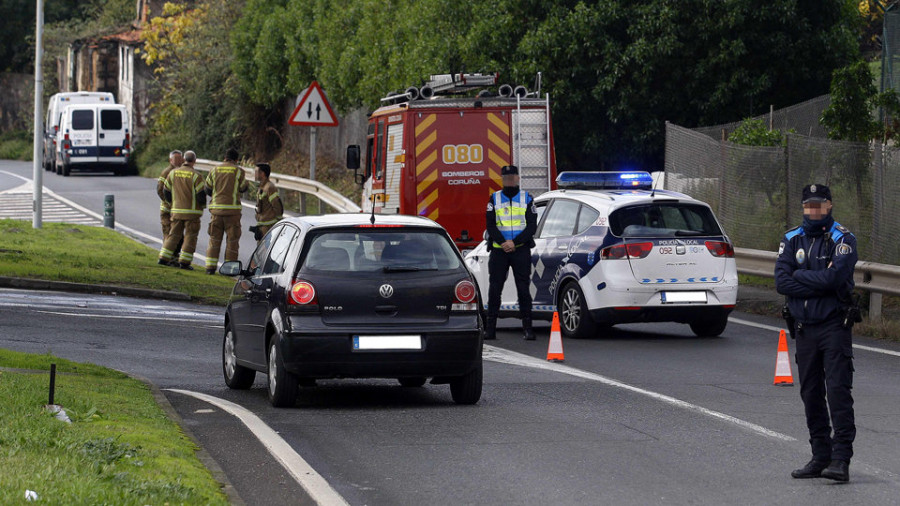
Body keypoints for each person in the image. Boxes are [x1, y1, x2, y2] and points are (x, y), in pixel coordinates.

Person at [775, 183, 858, 482]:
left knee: (837, 392)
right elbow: (782, 282)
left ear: (829, 205)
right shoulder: (791, 239)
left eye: (819, 204)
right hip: (805, 328)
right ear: (803, 207)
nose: (814, 210)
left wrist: (801, 276)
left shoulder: (843, 239)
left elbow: (836, 278)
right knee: (810, 393)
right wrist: (815, 280)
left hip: (834, 327)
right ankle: (819, 455)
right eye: (809, 205)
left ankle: (840, 459)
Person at [484, 164, 537, 341]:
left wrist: (514, 243)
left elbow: (532, 226)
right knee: (495, 289)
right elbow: (490, 225)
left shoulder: (527, 198)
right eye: (506, 178)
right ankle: (490, 329)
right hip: (499, 251)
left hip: (520, 250)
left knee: (523, 288)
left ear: (517, 178)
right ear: (502, 179)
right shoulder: (494, 199)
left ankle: (528, 329)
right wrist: (503, 243)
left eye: (512, 177)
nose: (509, 180)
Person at [158, 151, 206, 270]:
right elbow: (201, 195)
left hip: (176, 211)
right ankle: (184, 262)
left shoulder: (173, 173)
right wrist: (203, 205)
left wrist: (171, 203)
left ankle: (163, 258)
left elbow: (166, 191)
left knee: (173, 235)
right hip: (192, 213)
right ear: (194, 161)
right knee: (190, 236)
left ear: (184, 160)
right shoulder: (196, 175)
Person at [204, 148, 249, 274]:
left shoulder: (214, 170)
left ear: (225, 157)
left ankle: (210, 268)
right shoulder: (238, 171)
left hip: (216, 212)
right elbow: (243, 188)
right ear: (236, 160)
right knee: (232, 242)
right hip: (232, 213)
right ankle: (229, 270)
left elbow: (207, 189)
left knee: (214, 239)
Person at [156, 150, 183, 266]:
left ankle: (174, 258)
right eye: (175, 159)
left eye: (180, 159)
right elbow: (159, 190)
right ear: (170, 160)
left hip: (177, 210)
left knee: (179, 236)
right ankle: (166, 259)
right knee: (168, 234)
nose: (178, 161)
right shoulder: (166, 172)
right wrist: (170, 203)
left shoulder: (182, 172)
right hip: (167, 210)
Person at [253, 163, 283, 242]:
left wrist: (279, 222)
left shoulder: (270, 187)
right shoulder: (262, 187)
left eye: (256, 172)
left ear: (262, 174)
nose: (254, 174)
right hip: (262, 226)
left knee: (266, 251)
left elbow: (277, 205)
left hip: (268, 227)